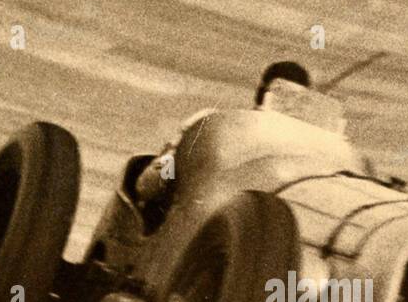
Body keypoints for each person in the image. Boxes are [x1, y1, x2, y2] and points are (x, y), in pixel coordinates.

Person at [131, 61, 312, 214]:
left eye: (301, 101)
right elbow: (148, 186)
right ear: (266, 93)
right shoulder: (211, 123)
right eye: (284, 96)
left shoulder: (298, 147)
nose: (291, 107)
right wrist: (175, 158)